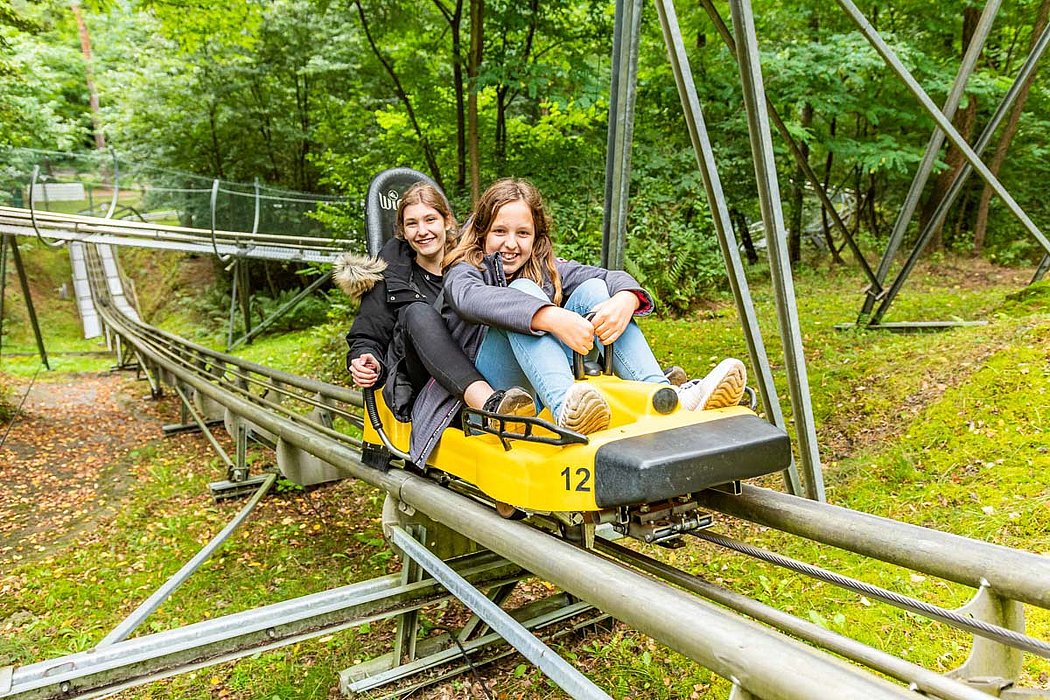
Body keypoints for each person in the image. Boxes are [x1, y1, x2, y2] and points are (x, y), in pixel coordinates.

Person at [440, 177, 747, 436]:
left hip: (541, 384)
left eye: (523, 234)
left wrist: (626, 299)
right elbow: (470, 299)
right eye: (499, 232)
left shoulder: (546, 270)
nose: (511, 243)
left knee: (595, 289)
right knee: (522, 292)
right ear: (482, 233)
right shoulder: (464, 270)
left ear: (536, 239)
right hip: (495, 399)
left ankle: (666, 396)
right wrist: (549, 316)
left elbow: (610, 277)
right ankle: (566, 410)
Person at [335, 182, 533, 442]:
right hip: (422, 380)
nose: (422, 231)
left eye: (430, 219)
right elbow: (367, 336)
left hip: (479, 362)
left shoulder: (472, 266)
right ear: (403, 232)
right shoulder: (391, 278)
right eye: (412, 224)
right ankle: (489, 405)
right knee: (417, 313)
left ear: (447, 221)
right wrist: (365, 357)